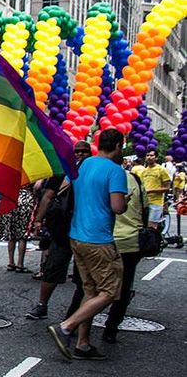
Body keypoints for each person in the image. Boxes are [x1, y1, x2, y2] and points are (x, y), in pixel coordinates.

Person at [48, 129, 128, 361]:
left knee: (90, 290)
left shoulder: (84, 165)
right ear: (117, 146)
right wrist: (125, 201)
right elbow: (117, 207)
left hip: (77, 235)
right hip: (99, 239)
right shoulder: (115, 172)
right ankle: (66, 327)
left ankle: (83, 344)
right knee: (111, 291)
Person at [25, 141, 92, 321]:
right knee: (53, 267)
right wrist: (38, 220)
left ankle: (76, 314)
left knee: (83, 275)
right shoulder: (63, 172)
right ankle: (42, 305)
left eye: (84, 151)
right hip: (63, 229)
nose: (80, 155)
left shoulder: (92, 173)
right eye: (77, 151)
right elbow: (47, 196)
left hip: (86, 231)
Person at [103, 168, 146, 344]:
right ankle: (111, 329)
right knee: (123, 287)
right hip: (130, 240)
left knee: (90, 287)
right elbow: (145, 207)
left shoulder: (98, 175)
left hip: (103, 239)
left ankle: (74, 324)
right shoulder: (135, 179)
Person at [0, 185, 36, 273]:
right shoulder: (30, 173)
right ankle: (20, 264)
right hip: (25, 199)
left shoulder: (12, 171)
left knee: (11, 233)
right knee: (22, 234)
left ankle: (11, 262)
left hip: (11, 197)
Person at [134, 149, 171, 228]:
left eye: (151, 155)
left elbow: (167, 187)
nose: (149, 157)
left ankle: (154, 240)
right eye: (147, 155)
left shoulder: (161, 170)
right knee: (142, 225)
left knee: (152, 226)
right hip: (144, 202)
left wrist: (151, 190)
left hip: (156, 202)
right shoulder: (144, 171)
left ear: (156, 158)